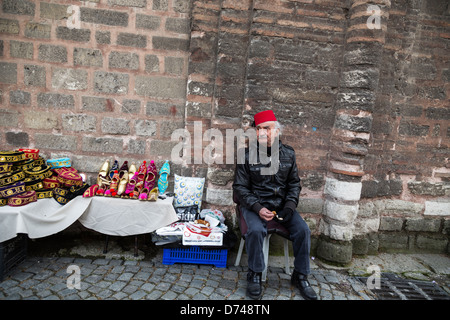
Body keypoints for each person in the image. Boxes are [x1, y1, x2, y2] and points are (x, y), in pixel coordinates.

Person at [232, 109, 317, 300]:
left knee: (303, 230)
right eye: (260, 129)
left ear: (277, 131)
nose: (263, 133)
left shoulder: (288, 154)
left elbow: (294, 183)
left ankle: (301, 276)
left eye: (268, 129)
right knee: (255, 231)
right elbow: (240, 187)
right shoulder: (246, 155)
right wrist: (258, 208)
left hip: (281, 206)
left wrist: (289, 206)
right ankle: (255, 274)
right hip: (255, 205)